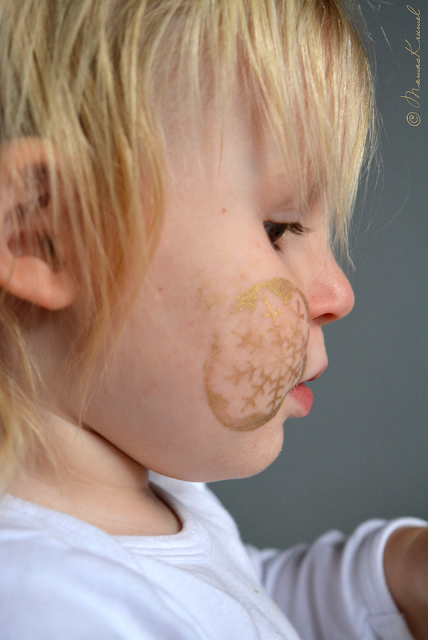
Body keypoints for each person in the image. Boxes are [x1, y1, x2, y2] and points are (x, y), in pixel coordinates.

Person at [0, 1, 426, 638]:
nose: (338, 292)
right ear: (43, 234)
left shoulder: (149, 505)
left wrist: (397, 579)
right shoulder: (48, 608)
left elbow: (237, 601)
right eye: (280, 228)